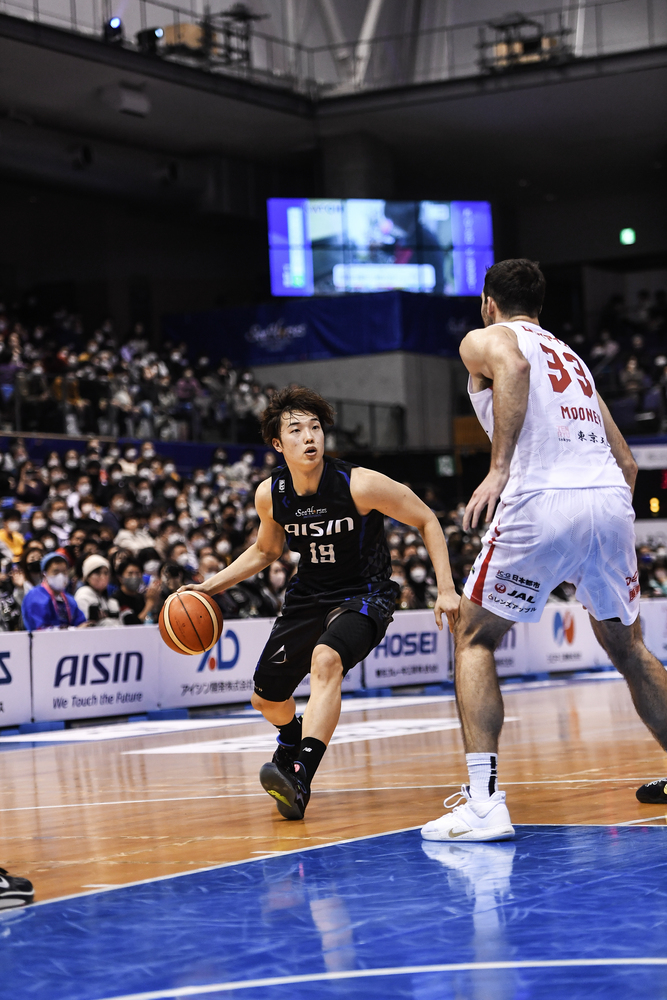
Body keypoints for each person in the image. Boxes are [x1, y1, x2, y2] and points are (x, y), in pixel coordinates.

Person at [420, 259, 667, 843]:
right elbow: (628, 462)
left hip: (542, 496)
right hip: (608, 499)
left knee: (475, 637)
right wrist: (596, 531)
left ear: (488, 302)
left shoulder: (488, 338)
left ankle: (482, 804)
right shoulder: (575, 359)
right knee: (628, 646)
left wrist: (501, 467)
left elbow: (509, 362)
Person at [180, 385, 460, 820]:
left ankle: (298, 775)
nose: (309, 437)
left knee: (326, 660)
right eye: (296, 430)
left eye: (315, 428)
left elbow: (426, 517)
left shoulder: (358, 484)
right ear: (278, 443)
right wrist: (206, 588)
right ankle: (290, 738)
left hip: (365, 592)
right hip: (309, 592)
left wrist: (446, 589)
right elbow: (266, 552)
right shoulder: (270, 494)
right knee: (266, 698)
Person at [21, 552, 87, 630]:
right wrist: (71, 630)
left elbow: (81, 623)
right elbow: (39, 629)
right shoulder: (35, 596)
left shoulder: (69, 600)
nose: (61, 576)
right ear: (44, 574)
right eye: (56, 572)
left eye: (64, 572)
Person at [74, 554, 121, 625]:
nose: (103, 577)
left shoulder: (111, 601)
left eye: (106, 573)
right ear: (88, 577)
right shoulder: (83, 596)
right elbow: (84, 624)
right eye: (97, 573)